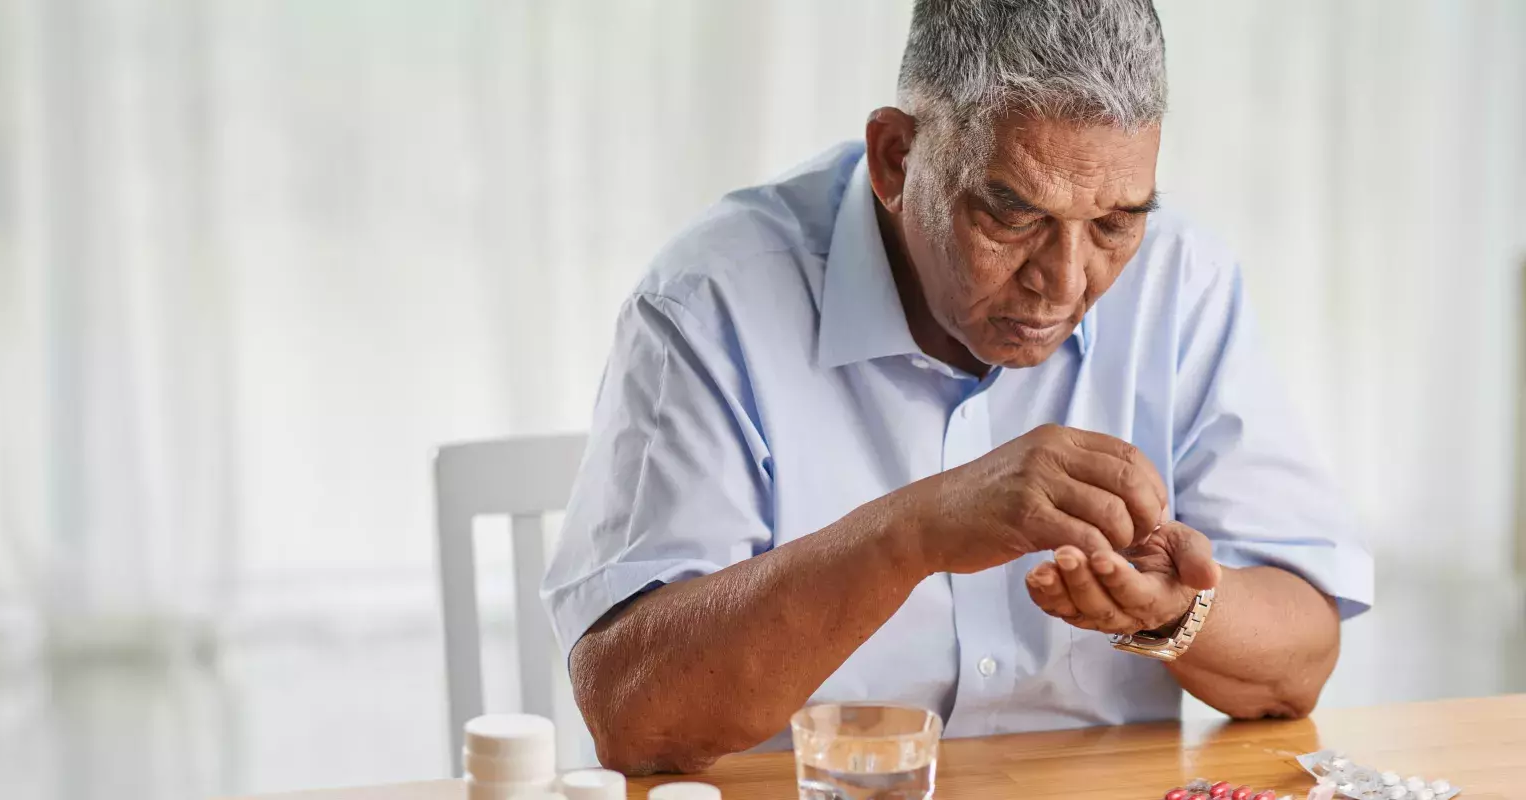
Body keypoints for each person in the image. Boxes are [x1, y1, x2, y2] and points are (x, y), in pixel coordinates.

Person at [542, 0, 1372, 776]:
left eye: (1116, 222)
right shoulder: (710, 301)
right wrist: (917, 530)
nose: (1065, 282)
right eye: (1013, 215)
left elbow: (1297, 668)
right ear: (896, 158)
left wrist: (1170, 616)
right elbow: (635, 716)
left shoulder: (1183, 283)